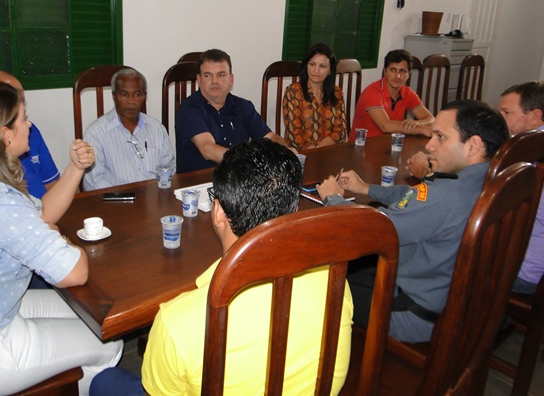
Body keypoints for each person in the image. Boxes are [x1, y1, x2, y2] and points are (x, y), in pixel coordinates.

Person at [89, 139, 353, 396]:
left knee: (105, 381)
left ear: (217, 212)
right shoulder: (336, 283)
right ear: (294, 208)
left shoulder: (177, 322)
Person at [0, 80, 122, 395]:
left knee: (97, 320)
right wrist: (60, 240)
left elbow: (43, 216)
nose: (29, 125)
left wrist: (76, 168)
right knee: (108, 343)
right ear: (4, 134)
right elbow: (75, 271)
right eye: (23, 118)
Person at [318, 99, 509, 343]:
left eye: (440, 137)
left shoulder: (442, 199)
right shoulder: (487, 180)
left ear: (473, 145)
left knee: (319, 282)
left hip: (410, 315)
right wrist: (367, 188)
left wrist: (333, 199)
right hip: (452, 302)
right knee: (354, 270)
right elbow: (418, 200)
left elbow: (370, 233)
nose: (430, 145)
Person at [175, 49, 294, 173]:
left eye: (221, 75)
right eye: (208, 75)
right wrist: (251, 163)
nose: (214, 81)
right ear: (199, 80)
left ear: (231, 79)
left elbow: (269, 136)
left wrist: (286, 150)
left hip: (239, 181)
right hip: (198, 185)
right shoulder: (189, 109)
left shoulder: (243, 106)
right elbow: (208, 150)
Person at [499, 81, 544, 294]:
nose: (501, 120)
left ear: (535, 116)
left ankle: (481, 321)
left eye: (507, 113)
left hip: (528, 272)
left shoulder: (535, 154)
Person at [83, 68, 174, 190]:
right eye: (124, 94)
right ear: (114, 96)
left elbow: (169, 167)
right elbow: (94, 182)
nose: (131, 101)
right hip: (116, 203)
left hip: (155, 200)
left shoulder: (157, 128)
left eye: (137, 94)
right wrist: (125, 199)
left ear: (144, 97)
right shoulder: (96, 133)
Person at [0, 70, 60, 199]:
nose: (28, 124)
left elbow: (52, 184)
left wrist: (76, 167)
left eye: (21, 99)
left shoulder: (31, 132)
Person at [349, 49, 434, 141]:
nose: (397, 76)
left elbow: (431, 119)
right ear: (385, 71)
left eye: (402, 71)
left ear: (409, 74)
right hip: (362, 146)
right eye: (393, 70)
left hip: (390, 145)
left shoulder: (408, 93)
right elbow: (385, 126)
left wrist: (418, 123)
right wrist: (421, 129)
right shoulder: (372, 92)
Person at [282, 43, 347, 150]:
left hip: (329, 152)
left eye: (322, 66)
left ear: (330, 70)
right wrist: (313, 152)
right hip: (300, 155)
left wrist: (318, 147)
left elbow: (340, 132)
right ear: (306, 66)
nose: (316, 70)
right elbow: (293, 135)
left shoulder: (336, 92)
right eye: (312, 64)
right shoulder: (293, 91)